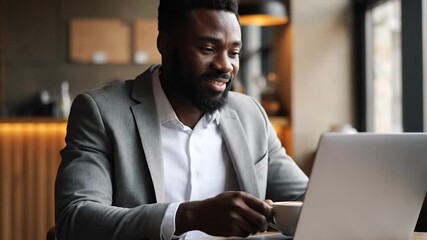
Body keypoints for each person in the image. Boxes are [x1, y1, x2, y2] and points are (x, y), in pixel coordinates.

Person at [54, 0, 309, 239]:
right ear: (165, 45)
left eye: (233, 52)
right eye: (208, 49)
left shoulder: (251, 114)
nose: (225, 65)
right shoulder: (101, 112)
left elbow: (309, 198)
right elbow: (75, 218)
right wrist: (189, 215)